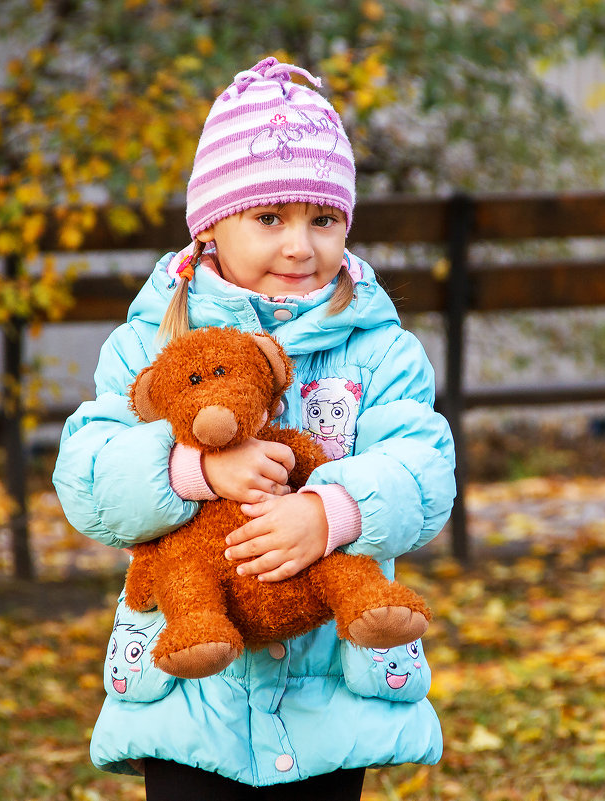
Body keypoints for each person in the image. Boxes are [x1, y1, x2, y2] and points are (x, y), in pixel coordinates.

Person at [52, 56, 456, 800]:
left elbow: (425, 469)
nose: (300, 246)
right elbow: (87, 476)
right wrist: (195, 470)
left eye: (323, 218)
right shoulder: (153, 344)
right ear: (210, 227)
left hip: (328, 690)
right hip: (190, 695)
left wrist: (331, 511)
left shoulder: (378, 349)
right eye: (270, 217)